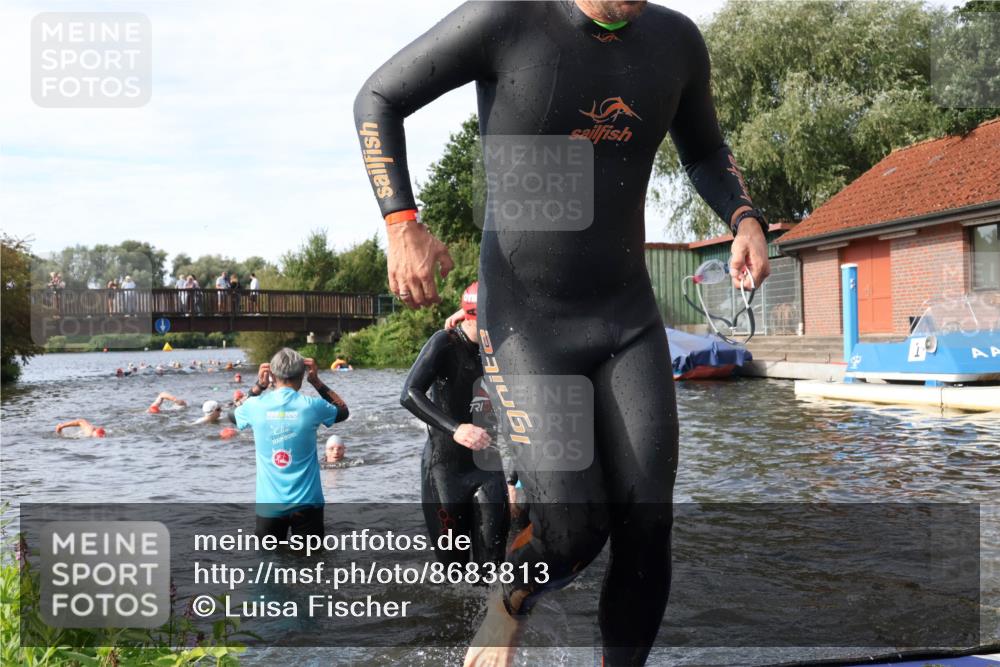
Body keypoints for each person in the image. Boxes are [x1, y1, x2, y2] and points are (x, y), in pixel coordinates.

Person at [355, 2, 771, 665]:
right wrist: (401, 220)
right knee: (574, 527)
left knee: (648, 522)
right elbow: (377, 98)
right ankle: (509, 601)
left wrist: (745, 217)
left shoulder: (676, 42)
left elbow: (705, 148)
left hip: (627, 314)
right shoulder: (508, 20)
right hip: (528, 319)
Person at [400, 282, 509, 569]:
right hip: (445, 470)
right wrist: (456, 429)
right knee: (454, 574)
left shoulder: (499, 349)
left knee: (492, 569)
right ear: (473, 317)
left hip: (487, 465)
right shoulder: (444, 343)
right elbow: (409, 394)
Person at [234, 349, 350, 539]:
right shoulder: (312, 406)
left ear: (271, 374)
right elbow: (343, 411)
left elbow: (233, 414)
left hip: (269, 505)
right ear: (304, 374)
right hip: (307, 504)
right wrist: (317, 383)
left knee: (268, 564)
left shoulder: (254, 406)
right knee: (312, 564)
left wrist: (258, 387)